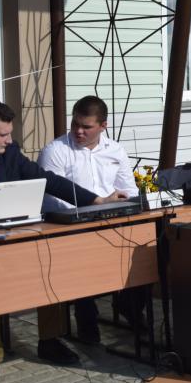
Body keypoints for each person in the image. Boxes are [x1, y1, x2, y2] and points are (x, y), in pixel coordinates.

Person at [0, 100, 125, 383]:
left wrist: (96, 200)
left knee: (48, 260)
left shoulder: (9, 154)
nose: (9, 140)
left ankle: (49, 340)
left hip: (11, 237)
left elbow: (48, 180)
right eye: (3, 134)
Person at [38, 96, 139, 344]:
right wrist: (90, 209)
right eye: (75, 124)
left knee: (144, 250)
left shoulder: (115, 150)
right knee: (83, 262)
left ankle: (130, 305)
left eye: (86, 127)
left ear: (103, 126)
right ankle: (87, 321)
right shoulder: (56, 150)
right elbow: (50, 200)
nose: (79, 131)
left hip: (112, 222)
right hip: (73, 227)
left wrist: (118, 205)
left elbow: (129, 190)